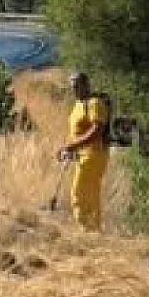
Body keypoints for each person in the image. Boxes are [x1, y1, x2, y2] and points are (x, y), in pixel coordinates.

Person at [58, 71, 109, 230]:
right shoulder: (78, 105)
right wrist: (72, 149)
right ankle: (95, 231)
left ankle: (87, 231)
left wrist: (72, 146)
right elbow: (78, 132)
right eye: (72, 87)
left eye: (77, 86)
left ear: (86, 85)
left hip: (94, 155)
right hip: (82, 156)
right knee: (91, 196)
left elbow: (97, 131)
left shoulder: (94, 103)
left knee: (78, 194)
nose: (74, 90)